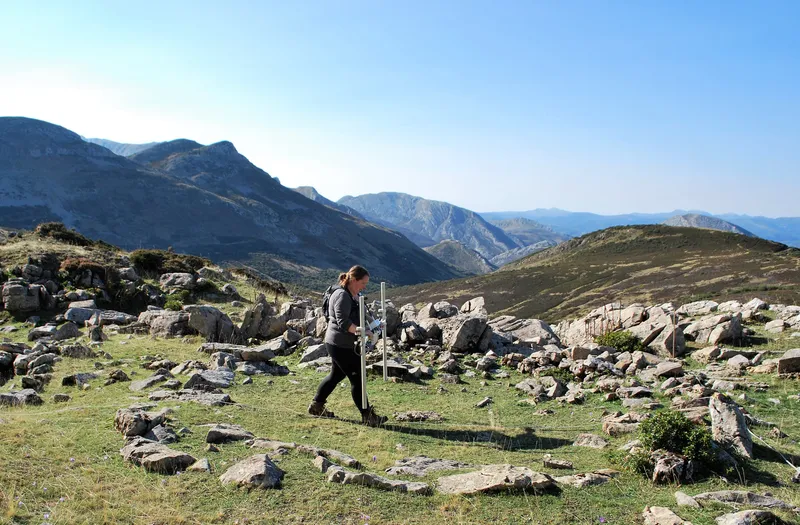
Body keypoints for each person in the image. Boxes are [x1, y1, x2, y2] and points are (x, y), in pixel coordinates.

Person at [308, 265, 388, 427]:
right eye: (363, 283)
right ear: (354, 280)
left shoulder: (354, 294)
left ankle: (316, 406)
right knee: (357, 379)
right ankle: (368, 416)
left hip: (342, 343)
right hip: (340, 344)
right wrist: (365, 332)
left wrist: (376, 325)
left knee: (336, 376)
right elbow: (343, 322)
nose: (365, 286)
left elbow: (362, 315)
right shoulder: (342, 296)